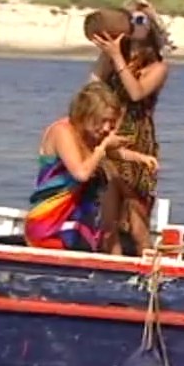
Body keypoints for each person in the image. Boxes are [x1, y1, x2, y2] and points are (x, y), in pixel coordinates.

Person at [24, 83, 158, 253]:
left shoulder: (88, 134)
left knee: (115, 190)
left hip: (75, 219)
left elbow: (108, 153)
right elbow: (82, 173)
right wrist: (103, 147)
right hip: (50, 223)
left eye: (111, 122)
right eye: (103, 121)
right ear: (85, 115)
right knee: (105, 182)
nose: (107, 128)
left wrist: (140, 158)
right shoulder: (62, 132)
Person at [87, 0, 174, 256]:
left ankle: (148, 268)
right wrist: (107, 53)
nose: (134, 25)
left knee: (137, 218)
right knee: (108, 220)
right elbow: (92, 86)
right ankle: (113, 267)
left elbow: (136, 93)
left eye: (140, 20)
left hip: (137, 141)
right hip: (109, 136)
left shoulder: (158, 67)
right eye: (130, 19)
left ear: (150, 27)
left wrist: (116, 57)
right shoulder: (116, 58)